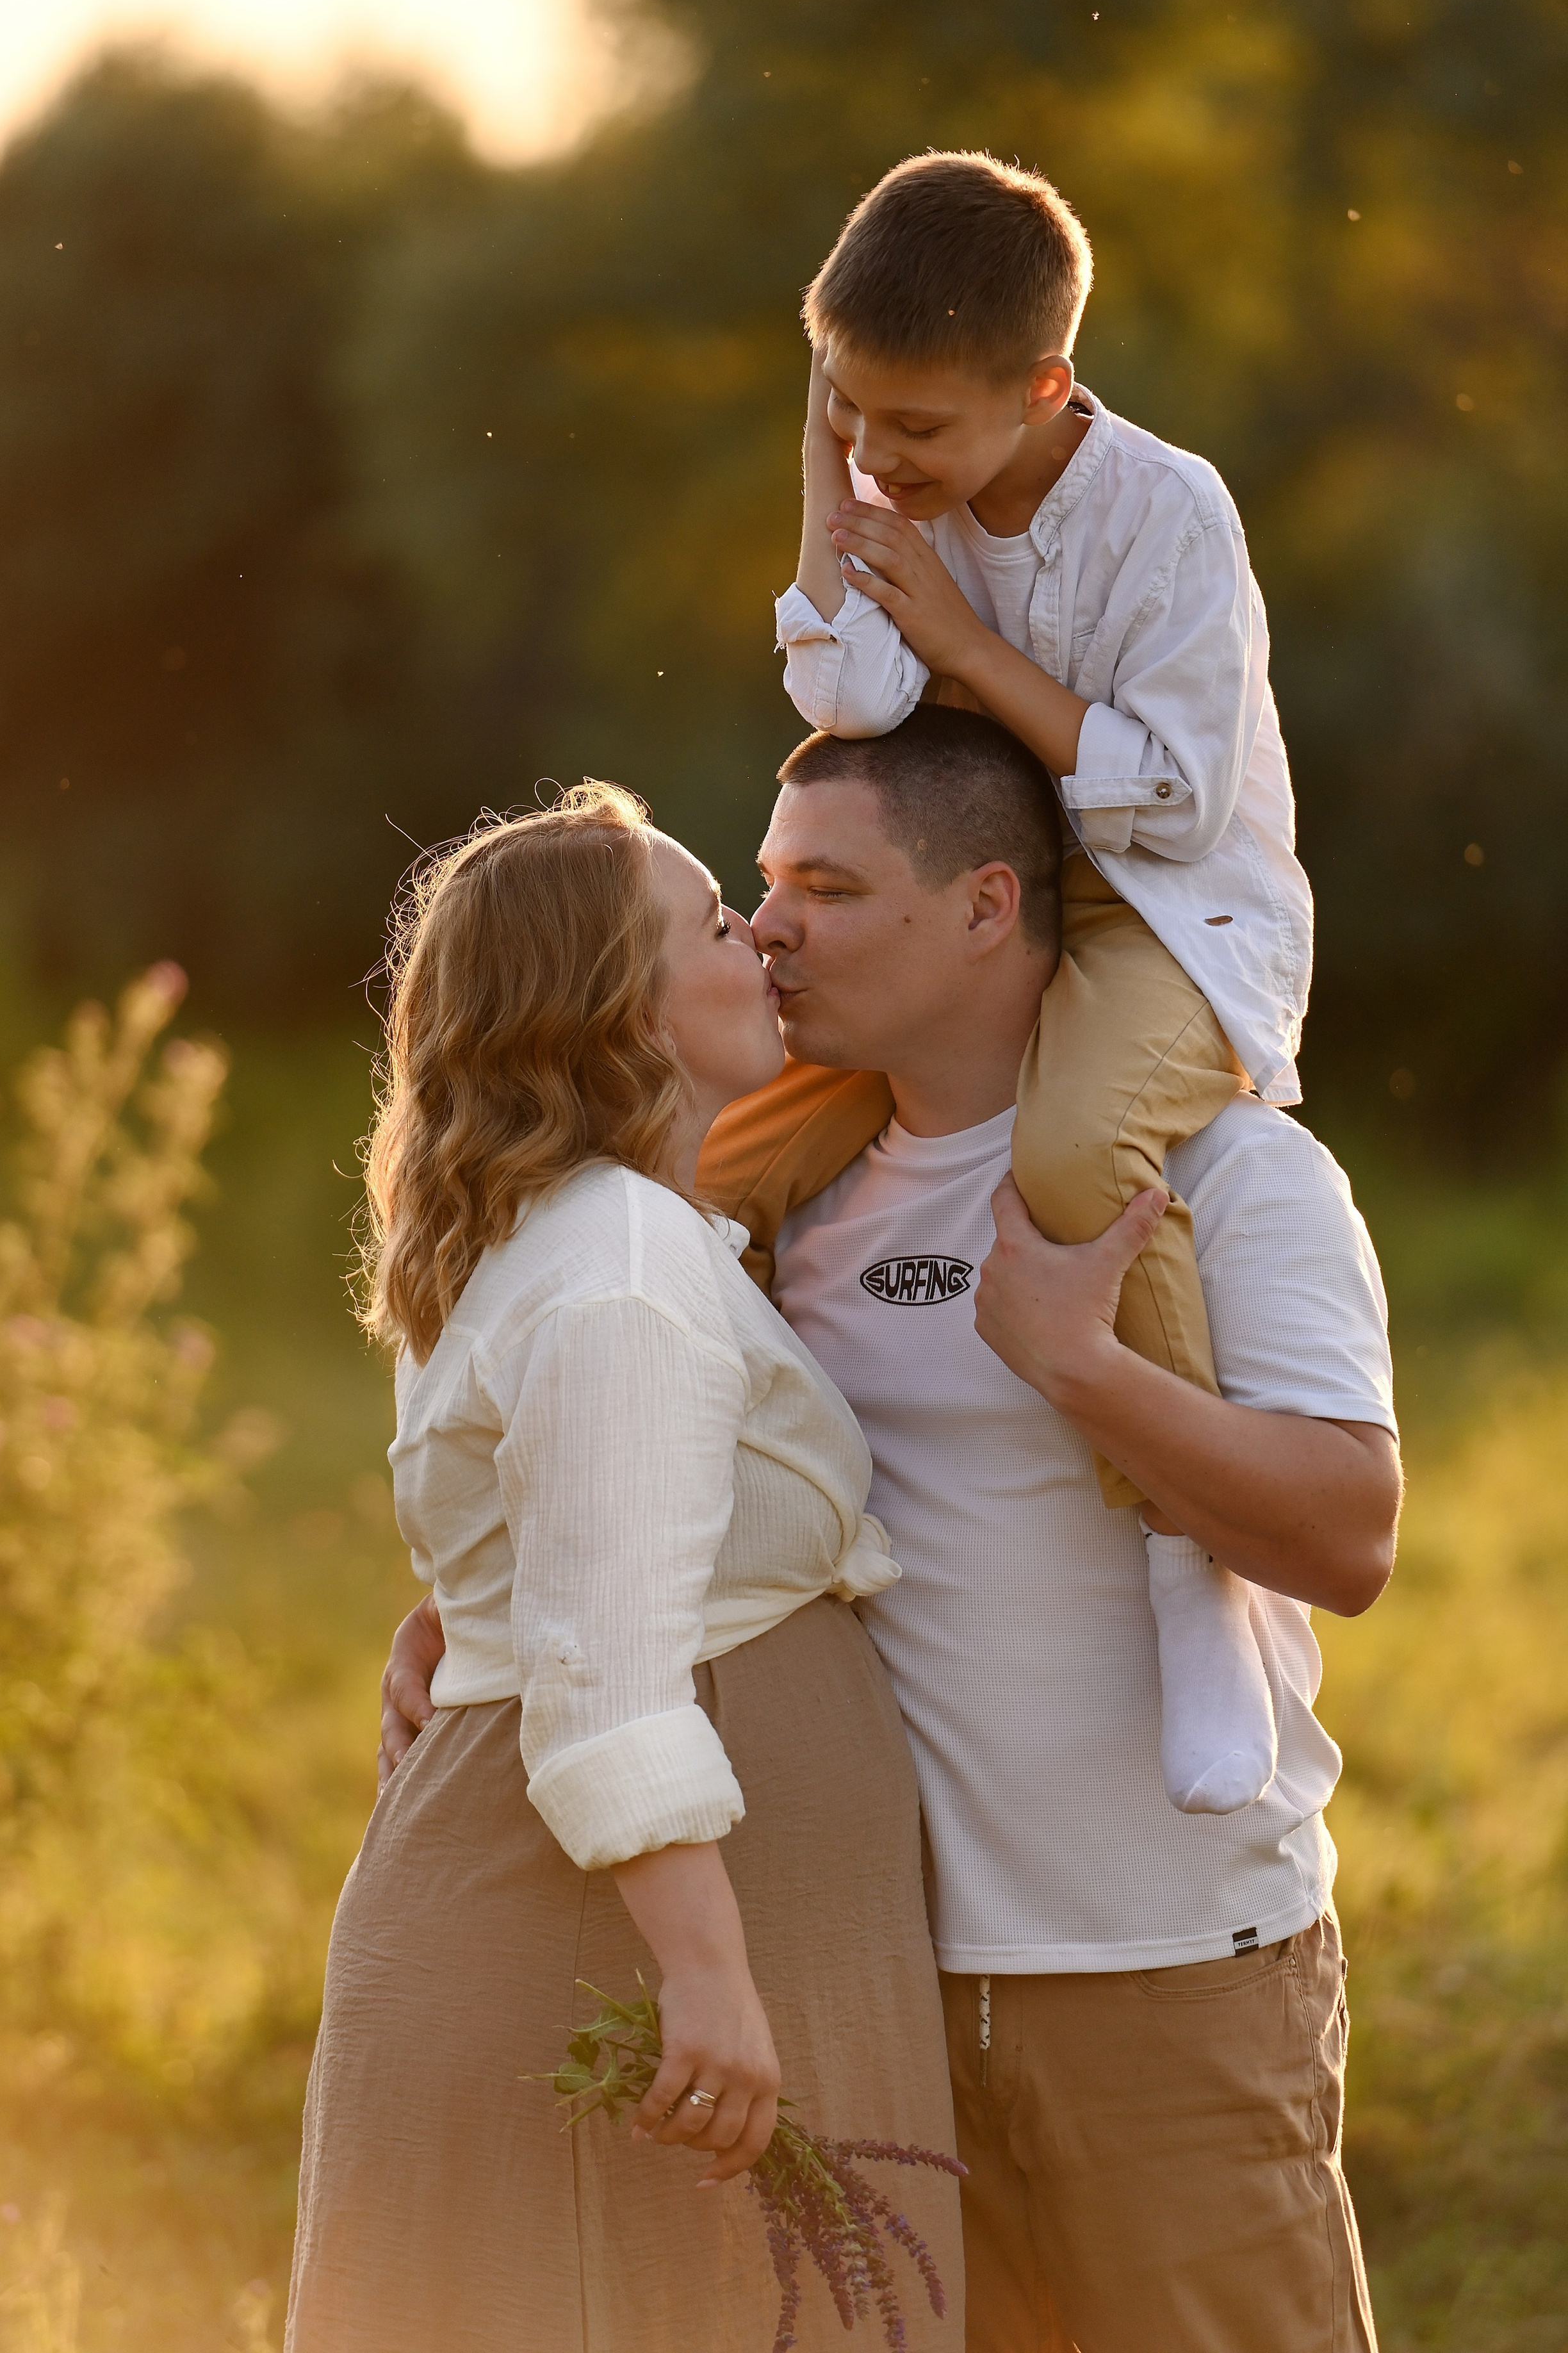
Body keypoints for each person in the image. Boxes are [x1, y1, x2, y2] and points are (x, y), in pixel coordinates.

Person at [384, 714, 1401, 2353]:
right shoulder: (778, 1197)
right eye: (762, 889)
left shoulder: (1228, 1171)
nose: (772, 926)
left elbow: (1348, 1540)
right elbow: (638, 1462)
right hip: (880, 1980)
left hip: (1159, 1960)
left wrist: (1077, 1362)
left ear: (988, 905)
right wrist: (469, 1607)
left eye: (829, 890)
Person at [288, 782, 963, 2352]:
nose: (764, 943)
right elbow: (599, 1680)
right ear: (624, 1008)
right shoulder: (624, 1264)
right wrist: (710, 1980)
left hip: (624, 1912)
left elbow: (543, 1544)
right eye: (721, 925)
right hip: (622, 1932)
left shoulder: (561, 1231)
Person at [769, 150, 1315, 1818]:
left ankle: (1192, 1567)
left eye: (915, 427)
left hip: (1165, 915)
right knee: (744, 1142)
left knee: (1075, 1157)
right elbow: (851, 697)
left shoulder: (1172, 514)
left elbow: (1170, 791)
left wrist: (972, 645)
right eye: (849, 410)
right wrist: (829, 476)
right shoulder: (891, 475)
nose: (884, 455)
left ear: (1046, 387)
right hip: (994, 897)